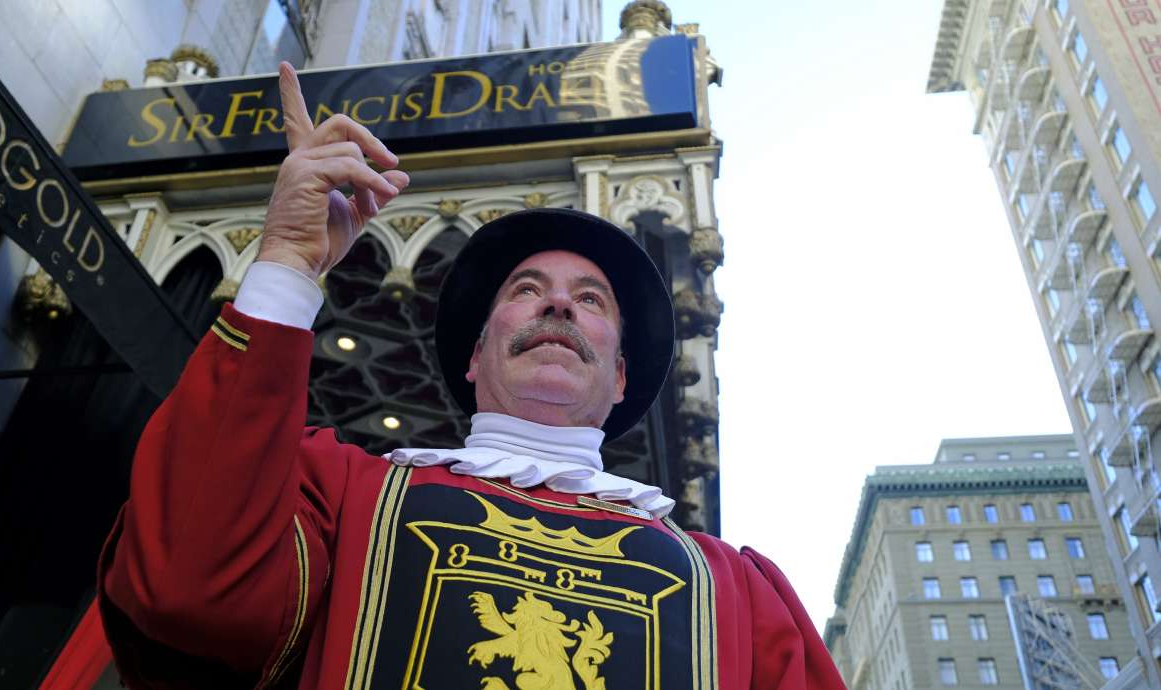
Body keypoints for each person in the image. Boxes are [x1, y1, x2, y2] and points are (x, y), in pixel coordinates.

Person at [97, 63, 845, 690]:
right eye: (525, 290)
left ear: (621, 377)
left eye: (591, 300)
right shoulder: (339, 498)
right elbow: (186, 585)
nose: (557, 300)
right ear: (474, 354)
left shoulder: (738, 598)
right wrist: (289, 261)